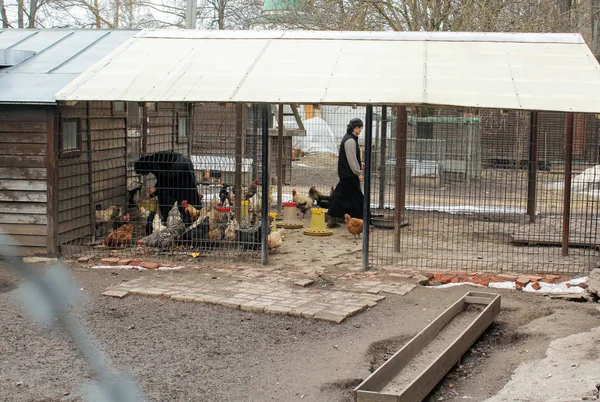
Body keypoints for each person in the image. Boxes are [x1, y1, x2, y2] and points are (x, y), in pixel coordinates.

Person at [134, 152, 202, 224]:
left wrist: (156, 189)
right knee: (188, 188)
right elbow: (163, 179)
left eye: (141, 172)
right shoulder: (152, 159)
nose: (143, 175)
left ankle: (168, 218)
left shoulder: (152, 163)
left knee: (165, 194)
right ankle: (196, 213)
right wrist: (155, 190)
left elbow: (164, 179)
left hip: (178, 165)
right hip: (186, 161)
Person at [327, 118, 365, 228]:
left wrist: (359, 162)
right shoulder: (350, 141)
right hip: (349, 175)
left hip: (345, 174)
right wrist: (358, 173)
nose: (361, 130)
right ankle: (363, 221)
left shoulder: (349, 138)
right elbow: (351, 159)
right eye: (360, 128)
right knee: (356, 198)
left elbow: (352, 157)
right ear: (355, 128)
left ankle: (333, 219)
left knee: (339, 197)